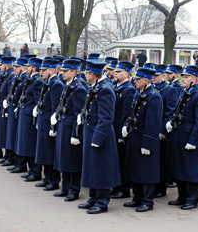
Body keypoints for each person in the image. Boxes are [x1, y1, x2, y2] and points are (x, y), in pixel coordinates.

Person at [77, 61, 121, 214]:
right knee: (92, 168)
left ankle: (102, 202)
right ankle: (93, 198)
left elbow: (106, 118)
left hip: (100, 136)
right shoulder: (96, 87)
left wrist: (98, 138)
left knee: (101, 169)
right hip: (91, 133)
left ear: (91, 75)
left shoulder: (105, 90)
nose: (85, 75)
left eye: (87, 73)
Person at [166, 65, 198, 210]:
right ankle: (182, 196)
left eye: (187, 77)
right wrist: (171, 123)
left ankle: (192, 199)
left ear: (195, 79)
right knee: (179, 167)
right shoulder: (184, 92)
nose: (183, 79)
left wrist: (193, 140)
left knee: (190, 169)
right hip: (179, 134)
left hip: (189, 136)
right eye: (183, 77)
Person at [122, 67, 163, 212]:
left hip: (145, 139)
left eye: (138, 79)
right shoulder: (139, 94)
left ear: (146, 80)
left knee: (146, 171)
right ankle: (137, 197)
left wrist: (148, 143)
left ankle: (147, 201)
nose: (135, 81)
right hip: (135, 136)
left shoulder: (154, 96)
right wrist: (127, 125)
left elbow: (153, 122)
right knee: (135, 169)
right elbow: (132, 113)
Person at [53, 59, 87, 202]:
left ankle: (74, 190)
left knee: (73, 160)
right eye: (62, 71)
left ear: (74, 72)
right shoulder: (68, 86)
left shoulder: (78, 88)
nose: (62, 73)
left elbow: (79, 114)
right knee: (64, 159)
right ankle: (65, 187)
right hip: (63, 126)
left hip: (71, 128)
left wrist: (76, 134)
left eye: (66, 71)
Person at [34, 58, 64, 191]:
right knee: (44, 152)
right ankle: (46, 178)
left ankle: (53, 180)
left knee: (49, 152)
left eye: (44, 70)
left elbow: (54, 107)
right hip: (43, 120)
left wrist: (53, 126)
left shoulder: (56, 84)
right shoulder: (48, 82)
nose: (41, 72)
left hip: (48, 122)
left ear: (51, 70)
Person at [110, 61, 137, 199]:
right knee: (114, 159)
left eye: (119, 71)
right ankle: (116, 185)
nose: (115, 73)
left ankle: (124, 188)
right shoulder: (115, 86)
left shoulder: (129, 89)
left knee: (122, 159)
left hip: (120, 129)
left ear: (127, 73)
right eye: (115, 71)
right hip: (112, 128)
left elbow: (126, 113)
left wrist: (121, 131)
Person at [15, 57, 44, 181]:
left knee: (31, 144)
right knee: (25, 143)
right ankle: (29, 169)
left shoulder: (37, 81)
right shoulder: (30, 79)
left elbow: (38, 101)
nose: (26, 68)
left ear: (34, 68)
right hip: (25, 115)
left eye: (29, 66)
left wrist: (35, 111)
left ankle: (35, 171)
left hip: (30, 117)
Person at [151, 64, 177, 198]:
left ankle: (161, 188)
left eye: (157, 75)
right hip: (151, 130)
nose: (154, 78)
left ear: (163, 76)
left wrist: (163, 130)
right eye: (153, 75)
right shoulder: (152, 89)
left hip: (161, 132)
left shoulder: (169, 90)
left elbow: (170, 112)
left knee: (162, 161)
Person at [0, 56, 16, 161]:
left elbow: (11, 92)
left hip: (5, 108)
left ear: (4, 65)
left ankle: (8, 156)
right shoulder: (7, 74)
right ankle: (6, 155)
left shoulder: (11, 75)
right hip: (1, 105)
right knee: (1, 131)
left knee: (5, 131)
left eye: (1, 64)